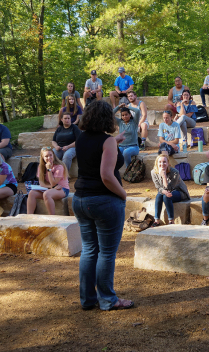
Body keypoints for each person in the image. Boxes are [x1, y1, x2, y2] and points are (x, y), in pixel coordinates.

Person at [72, 99, 133, 311]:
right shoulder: (106, 141)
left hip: (80, 199)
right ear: (107, 118)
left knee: (89, 251)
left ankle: (88, 300)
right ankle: (108, 299)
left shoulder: (81, 138)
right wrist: (123, 194)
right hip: (103, 201)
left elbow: (94, 152)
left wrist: (113, 142)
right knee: (106, 253)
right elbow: (106, 176)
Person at [27, 147, 70, 215]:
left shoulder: (59, 166)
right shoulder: (41, 167)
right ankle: (29, 216)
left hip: (63, 189)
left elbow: (53, 183)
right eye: (46, 156)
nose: (49, 157)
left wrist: (49, 170)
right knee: (32, 193)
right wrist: (52, 187)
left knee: (47, 194)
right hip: (51, 188)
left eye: (50, 155)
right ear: (43, 158)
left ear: (53, 155)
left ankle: (51, 217)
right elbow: (41, 183)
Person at [151, 154, 191, 225]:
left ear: (168, 163)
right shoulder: (153, 172)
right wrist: (164, 192)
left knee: (166, 197)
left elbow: (170, 188)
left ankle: (171, 220)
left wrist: (164, 176)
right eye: (160, 162)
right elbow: (158, 187)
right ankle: (157, 220)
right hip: (165, 192)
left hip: (179, 191)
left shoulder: (175, 172)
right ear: (156, 163)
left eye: (164, 162)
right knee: (159, 196)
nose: (162, 164)